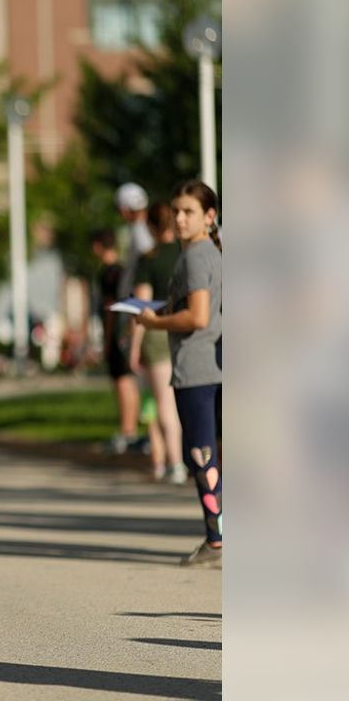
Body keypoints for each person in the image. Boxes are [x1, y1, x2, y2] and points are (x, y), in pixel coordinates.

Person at [135, 181, 223, 568]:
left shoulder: (194, 257)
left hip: (197, 368)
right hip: (216, 366)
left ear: (209, 216)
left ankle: (215, 539)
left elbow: (198, 316)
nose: (180, 218)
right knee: (212, 454)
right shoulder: (213, 254)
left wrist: (154, 322)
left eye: (189, 211)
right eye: (177, 211)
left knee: (201, 455)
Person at [128, 202, 185, 483]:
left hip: (157, 333)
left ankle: (174, 461)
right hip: (187, 328)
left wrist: (134, 344)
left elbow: (143, 305)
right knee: (184, 398)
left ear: (150, 226)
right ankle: (186, 456)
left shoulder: (148, 259)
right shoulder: (187, 253)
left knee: (163, 400)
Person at [91, 228, 141, 453]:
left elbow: (111, 307)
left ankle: (128, 429)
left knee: (122, 381)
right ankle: (129, 428)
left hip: (117, 333)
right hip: (123, 332)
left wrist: (108, 338)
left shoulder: (110, 273)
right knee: (124, 380)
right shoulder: (121, 270)